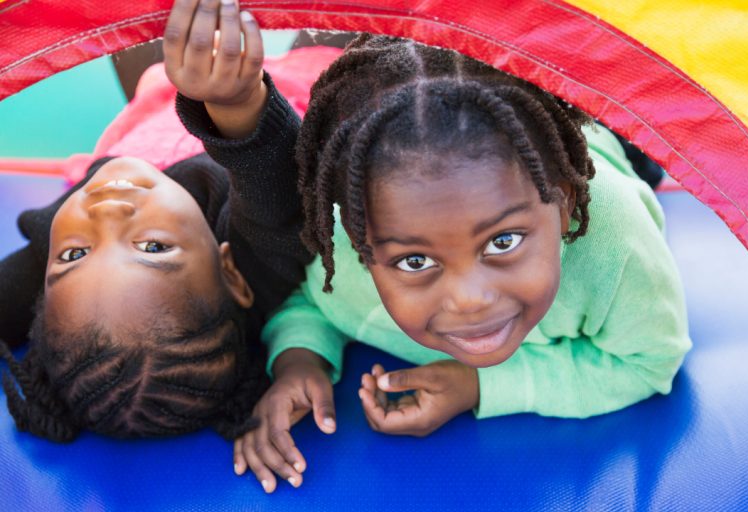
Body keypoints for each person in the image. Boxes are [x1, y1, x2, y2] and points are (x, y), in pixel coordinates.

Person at [233, 34, 692, 492]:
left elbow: (650, 361)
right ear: (361, 245)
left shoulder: (618, 243)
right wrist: (299, 361)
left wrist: (477, 386)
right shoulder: (350, 246)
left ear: (564, 203)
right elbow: (312, 302)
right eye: (415, 261)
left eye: (504, 241)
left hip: (602, 144)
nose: (470, 300)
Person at [0, 0, 310, 442]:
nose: (105, 212)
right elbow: (277, 187)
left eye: (74, 254)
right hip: (293, 82)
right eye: (153, 248)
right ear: (230, 274)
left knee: (125, 14)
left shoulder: (56, 266)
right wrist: (238, 104)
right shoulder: (254, 262)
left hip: (155, 102)